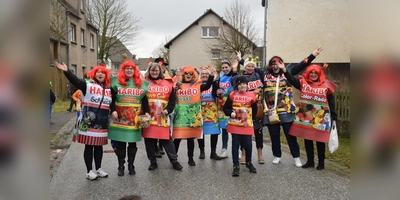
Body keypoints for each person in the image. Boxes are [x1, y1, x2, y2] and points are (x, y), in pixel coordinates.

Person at [248, 47, 323, 167]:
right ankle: (277, 155)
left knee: (290, 135)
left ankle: (296, 157)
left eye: (278, 63)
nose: (275, 65)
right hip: (271, 111)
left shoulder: (287, 73)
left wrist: (313, 55)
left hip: (287, 110)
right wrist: (240, 60)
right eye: (273, 63)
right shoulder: (264, 75)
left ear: (281, 64)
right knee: (274, 135)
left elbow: (302, 64)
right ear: (270, 65)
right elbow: (250, 67)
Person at [54, 61, 111, 180]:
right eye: (98, 72)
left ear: (106, 75)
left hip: (102, 123)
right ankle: (89, 171)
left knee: (99, 146)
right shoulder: (87, 85)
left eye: (103, 72)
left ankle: (99, 168)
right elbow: (75, 80)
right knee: (89, 146)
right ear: (94, 74)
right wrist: (67, 71)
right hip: (88, 122)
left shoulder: (109, 89)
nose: (100, 74)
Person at [279, 61, 337, 170]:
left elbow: (331, 101)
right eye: (311, 73)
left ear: (319, 74)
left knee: (320, 140)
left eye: (315, 73)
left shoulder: (326, 85)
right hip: (306, 115)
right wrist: (285, 70)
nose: (313, 75)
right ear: (308, 74)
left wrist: (334, 115)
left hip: (321, 116)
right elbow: (291, 80)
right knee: (308, 138)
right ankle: (310, 161)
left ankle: (321, 162)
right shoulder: (303, 83)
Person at [108, 60, 150, 176]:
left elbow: (144, 100)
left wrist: (147, 112)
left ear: (134, 70)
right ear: (123, 70)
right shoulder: (116, 82)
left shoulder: (141, 83)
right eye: (127, 68)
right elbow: (111, 98)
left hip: (134, 118)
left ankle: (131, 165)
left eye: (131, 68)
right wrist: (113, 110)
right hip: (120, 117)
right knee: (121, 142)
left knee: (132, 143)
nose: (129, 70)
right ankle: (121, 166)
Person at [142, 63, 183, 171]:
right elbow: (141, 98)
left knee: (167, 140)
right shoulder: (144, 83)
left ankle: (174, 161)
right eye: (152, 70)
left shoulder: (168, 83)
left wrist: (168, 110)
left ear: (160, 71)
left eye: (156, 70)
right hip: (149, 117)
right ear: (149, 71)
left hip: (163, 117)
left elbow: (172, 100)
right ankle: (153, 162)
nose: (154, 72)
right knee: (149, 141)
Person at [172, 66, 215, 166]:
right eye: (186, 73)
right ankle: (174, 158)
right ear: (183, 75)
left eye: (190, 73)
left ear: (193, 75)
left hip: (192, 116)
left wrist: (212, 76)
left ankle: (190, 158)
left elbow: (207, 86)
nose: (188, 75)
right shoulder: (178, 85)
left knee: (190, 138)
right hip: (180, 116)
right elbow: (171, 96)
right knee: (177, 138)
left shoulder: (197, 85)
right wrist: (175, 89)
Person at [223, 76, 258, 177]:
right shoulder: (232, 95)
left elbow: (255, 111)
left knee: (248, 145)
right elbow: (225, 108)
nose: (242, 85)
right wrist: (231, 113)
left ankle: (249, 162)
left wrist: (250, 119)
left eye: (244, 84)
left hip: (247, 125)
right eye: (240, 84)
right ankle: (236, 166)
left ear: (247, 85)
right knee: (235, 145)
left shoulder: (252, 95)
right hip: (235, 125)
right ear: (237, 86)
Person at [234, 54, 265, 164]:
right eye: (248, 66)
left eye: (252, 66)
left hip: (257, 107)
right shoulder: (240, 77)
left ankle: (260, 154)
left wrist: (242, 59)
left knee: (258, 132)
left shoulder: (259, 75)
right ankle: (243, 154)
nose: (250, 68)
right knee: (244, 132)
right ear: (244, 67)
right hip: (244, 108)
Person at [197, 65, 222, 160]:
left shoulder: (213, 83)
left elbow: (217, 92)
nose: (204, 75)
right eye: (202, 74)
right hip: (201, 112)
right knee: (201, 133)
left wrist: (215, 82)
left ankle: (213, 152)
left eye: (206, 74)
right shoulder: (198, 85)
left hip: (212, 111)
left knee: (214, 132)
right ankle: (202, 152)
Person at [217, 59, 239, 158]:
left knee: (235, 129)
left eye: (226, 67)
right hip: (222, 107)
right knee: (224, 130)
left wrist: (234, 70)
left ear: (230, 67)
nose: (225, 69)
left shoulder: (234, 75)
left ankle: (237, 149)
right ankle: (224, 149)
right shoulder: (221, 78)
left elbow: (237, 83)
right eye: (223, 68)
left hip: (233, 105)